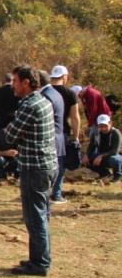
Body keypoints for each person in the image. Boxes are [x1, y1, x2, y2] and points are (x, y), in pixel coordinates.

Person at [0, 65, 57, 276]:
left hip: (35, 167)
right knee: (41, 214)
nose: (12, 85)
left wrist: (9, 132)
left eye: (15, 81)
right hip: (47, 165)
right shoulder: (43, 101)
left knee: (35, 217)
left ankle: (40, 263)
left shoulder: (29, 106)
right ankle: (39, 257)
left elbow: (10, 135)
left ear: (26, 82)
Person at [49, 65, 81, 202]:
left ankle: (41, 192)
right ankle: (56, 194)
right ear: (64, 77)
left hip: (43, 132)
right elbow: (75, 117)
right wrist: (76, 136)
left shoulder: (44, 92)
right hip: (61, 132)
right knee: (60, 162)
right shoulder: (70, 93)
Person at [38, 71, 66, 205]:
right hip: (58, 135)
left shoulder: (45, 96)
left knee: (48, 171)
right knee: (57, 167)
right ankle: (56, 194)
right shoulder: (55, 93)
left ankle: (50, 196)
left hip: (50, 137)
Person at [83, 114, 122, 181]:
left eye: (105, 125)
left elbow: (115, 151)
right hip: (101, 155)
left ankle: (117, 175)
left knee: (115, 160)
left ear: (110, 123)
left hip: (115, 155)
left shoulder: (116, 133)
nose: (103, 128)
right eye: (101, 126)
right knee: (86, 159)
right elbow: (91, 146)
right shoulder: (96, 133)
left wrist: (101, 156)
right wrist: (86, 155)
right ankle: (104, 173)